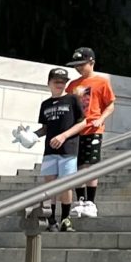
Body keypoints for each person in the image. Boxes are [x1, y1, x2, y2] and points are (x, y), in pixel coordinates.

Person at [64, 46, 116, 221]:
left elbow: (110, 105)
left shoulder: (101, 82)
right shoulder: (72, 85)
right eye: (76, 65)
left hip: (93, 128)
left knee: (90, 164)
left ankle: (90, 202)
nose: (79, 68)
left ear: (91, 62)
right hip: (75, 129)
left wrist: (101, 119)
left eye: (82, 64)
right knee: (76, 166)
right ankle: (80, 200)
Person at [34, 67, 85, 229]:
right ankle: (50, 218)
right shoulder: (45, 104)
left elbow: (83, 122)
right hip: (50, 150)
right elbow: (45, 128)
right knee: (49, 186)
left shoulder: (72, 99)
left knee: (65, 184)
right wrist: (30, 135)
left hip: (68, 149)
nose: (60, 84)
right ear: (49, 82)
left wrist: (64, 136)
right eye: (56, 81)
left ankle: (65, 218)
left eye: (63, 82)